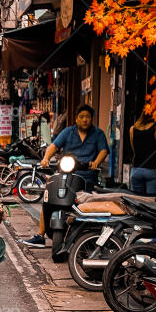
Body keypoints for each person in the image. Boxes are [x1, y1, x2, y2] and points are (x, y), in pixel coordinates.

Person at [31, 104, 109, 247]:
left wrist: (96, 162)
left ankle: (89, 237)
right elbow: (54, 146)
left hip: (87, 175)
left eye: (88, 117)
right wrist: (46, 158)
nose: (85, 120)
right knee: (49, 198)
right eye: (81, 117)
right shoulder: (68, 132)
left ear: (92, 119)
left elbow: (103, 150)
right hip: (67, 173)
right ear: (76, 119)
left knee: (88, 205)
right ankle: (40, 235)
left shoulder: (98, 133)